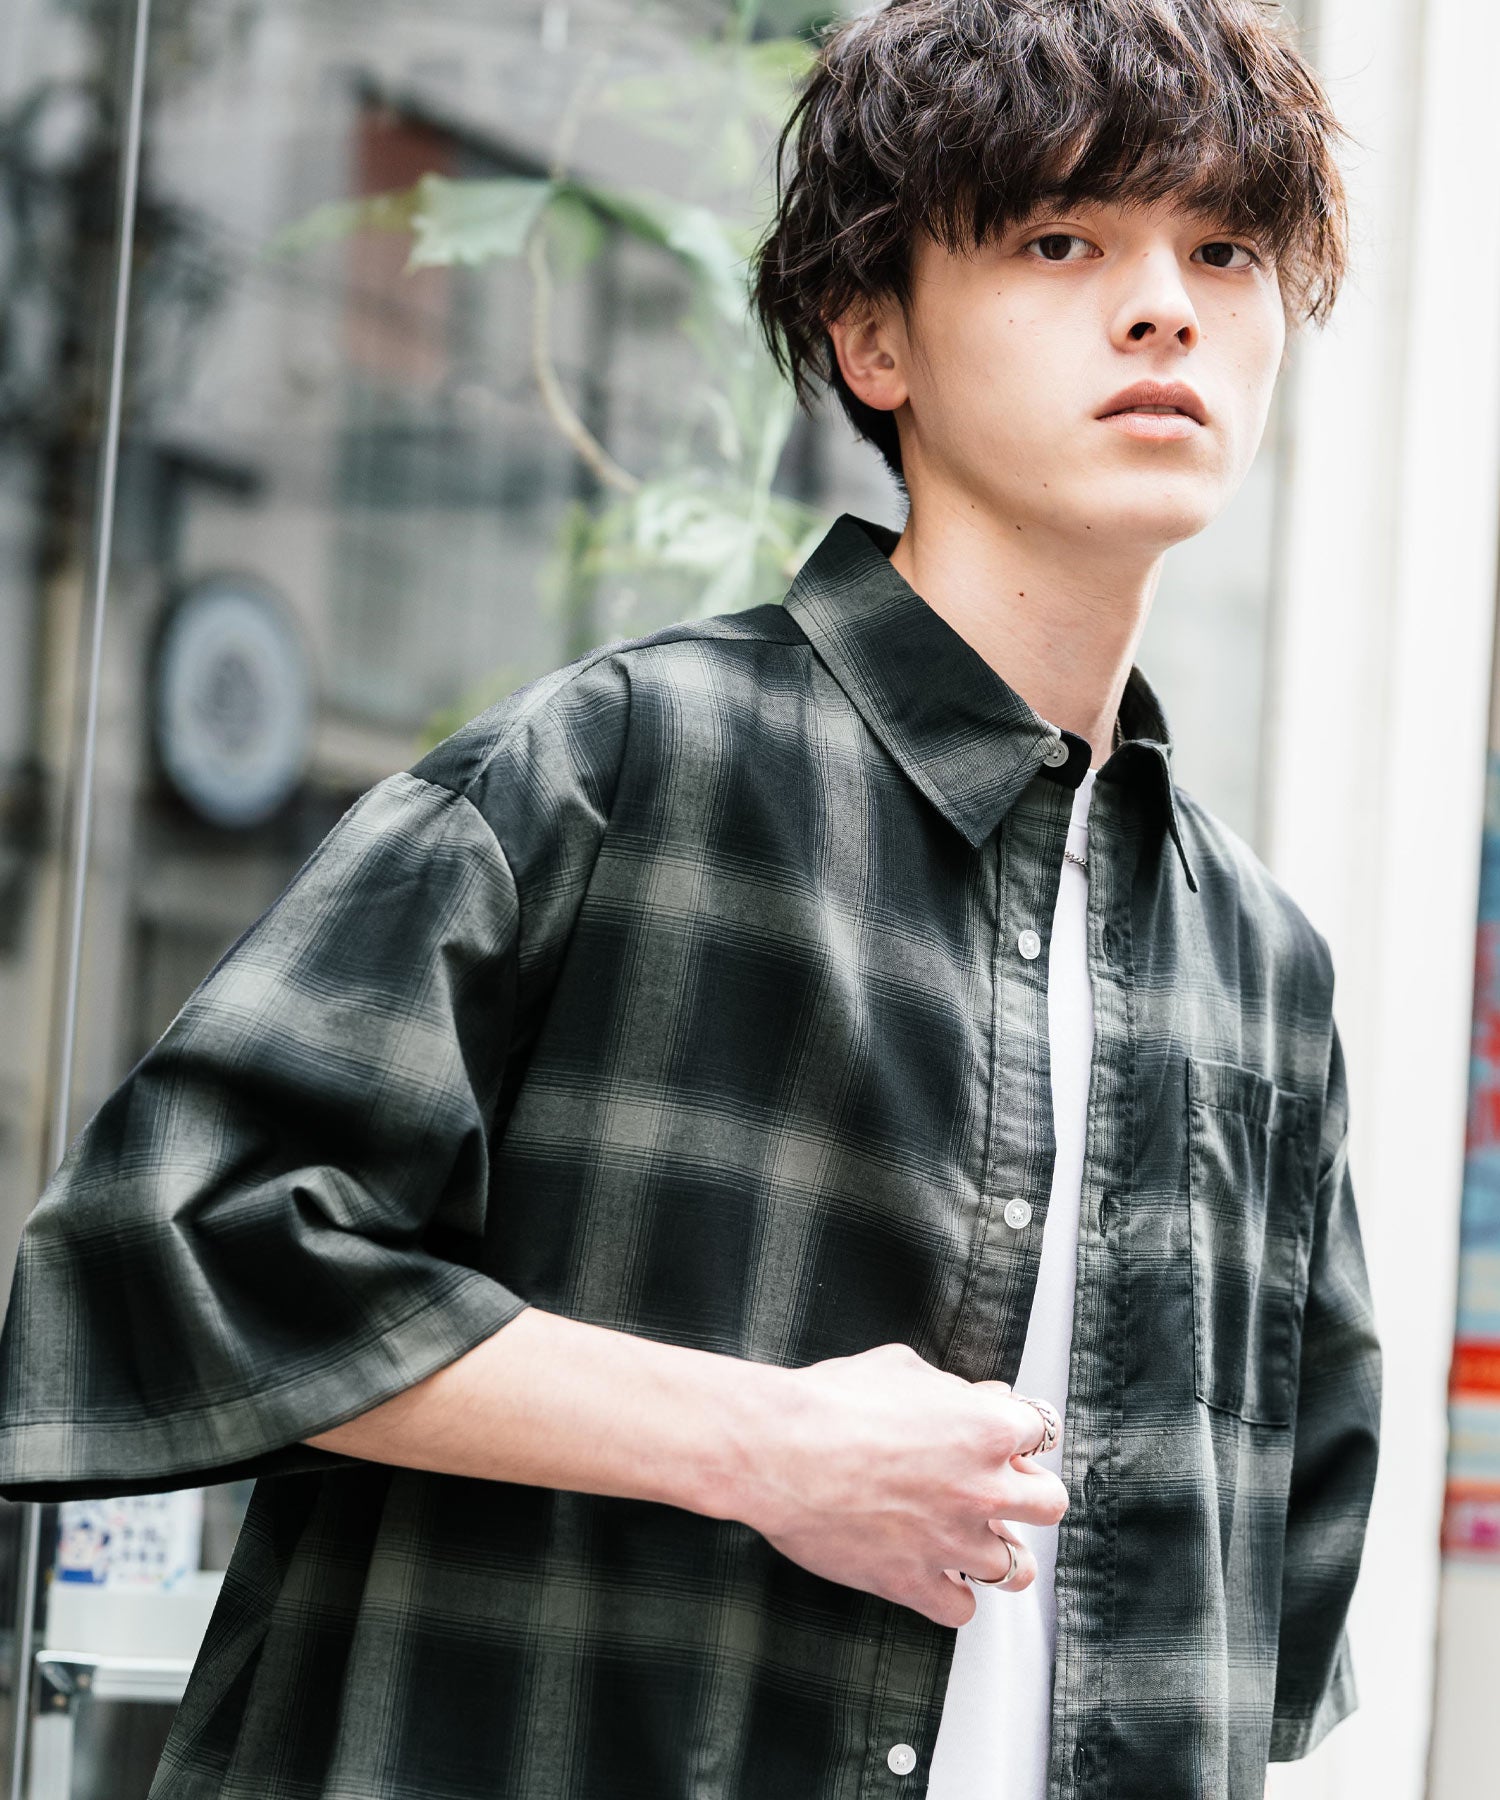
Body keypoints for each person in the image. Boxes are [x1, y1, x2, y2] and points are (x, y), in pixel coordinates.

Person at [0, 1, 1381, 1796]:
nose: (1163, 308)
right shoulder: (622, 766)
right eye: (1061, 240)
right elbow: (167, 1250)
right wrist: (759, 1444)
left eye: (1225, 252)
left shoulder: (1258, 964)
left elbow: (1268, 1616)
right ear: (872, 334)